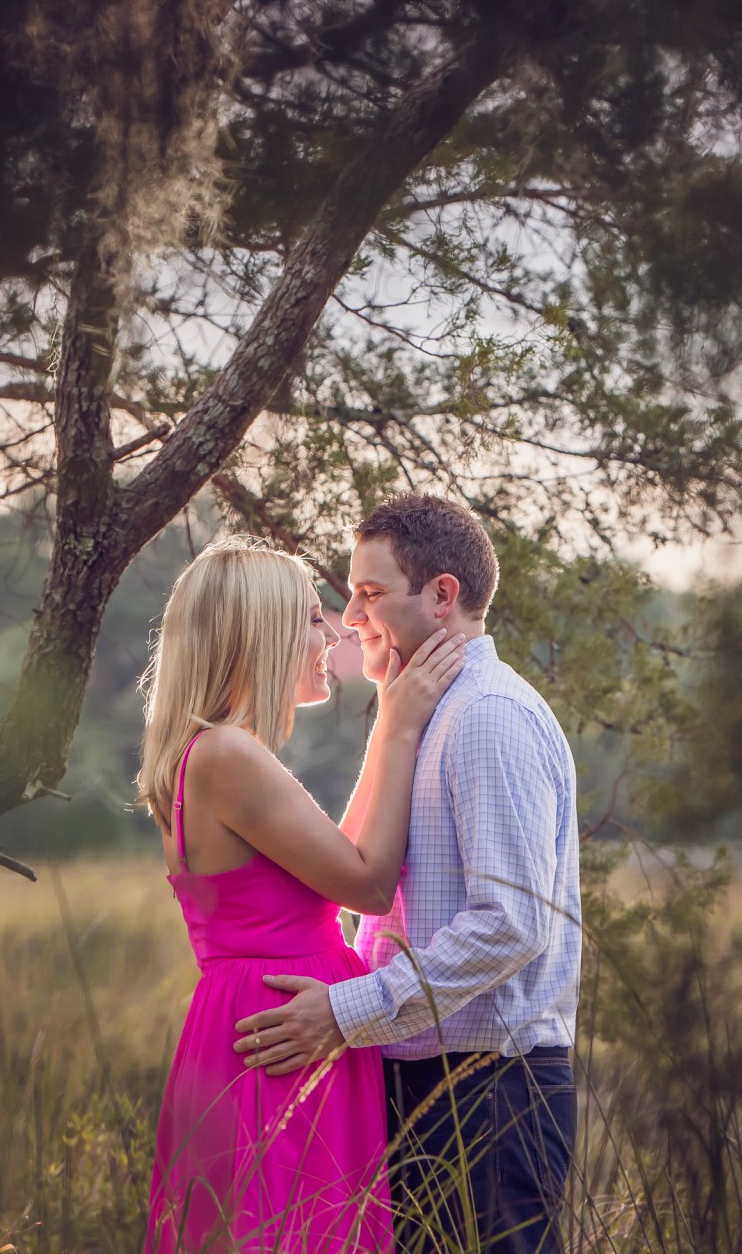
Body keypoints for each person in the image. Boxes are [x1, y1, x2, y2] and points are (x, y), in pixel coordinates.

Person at [233, 495, 581, 1254]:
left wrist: (347, 1011)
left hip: (493, 1093)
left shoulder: (489, 716)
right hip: (425, 1082)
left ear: (443, 595)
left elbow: (512, 924)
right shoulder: (427, 713)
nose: (350, 618)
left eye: (370, 593)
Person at [139, 536, 468, 1254]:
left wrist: (390, 718)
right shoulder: (228, 754)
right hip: (281, 1038)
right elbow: (369, 884)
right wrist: (401, 724)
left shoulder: (217, 751)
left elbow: (335, 860)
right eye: (311, 618)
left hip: (272, 1023)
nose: (332, 634)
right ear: (259, 632)